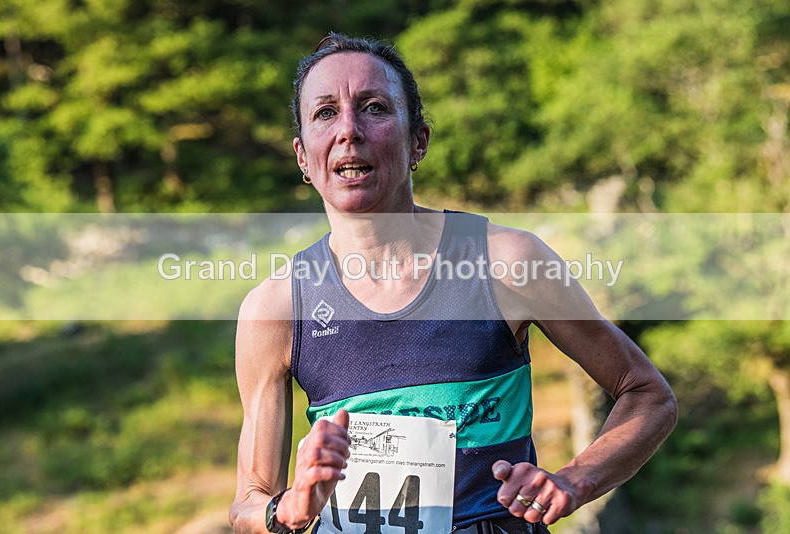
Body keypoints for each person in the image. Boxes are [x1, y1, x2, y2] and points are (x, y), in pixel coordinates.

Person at [229, 33, 678, 534]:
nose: (349, 131)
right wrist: (286, 509)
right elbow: (247, 504)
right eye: (325, 113)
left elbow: (646, 394)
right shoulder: (276, 308)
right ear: (302, 157)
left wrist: (574, 482)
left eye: (374, 108)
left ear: (418, 140)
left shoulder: (506, 261)